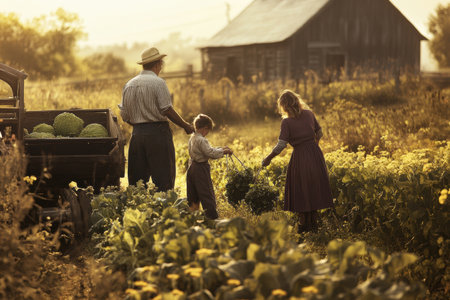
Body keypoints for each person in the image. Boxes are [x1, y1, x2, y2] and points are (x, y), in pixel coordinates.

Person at [119, 47, 194, 191]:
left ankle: (138, 211)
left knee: (137, 183)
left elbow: (125, 116)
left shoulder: (129, 85)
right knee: (164, 179)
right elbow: (166, 109)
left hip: (137, 135)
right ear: (158, 64)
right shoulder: (158, 83)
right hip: (158, 134)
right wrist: (185, 125)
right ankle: (164, 210)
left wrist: (140, 124)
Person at [262, 90, 333, 233]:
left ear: (284, 106)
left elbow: (281, 144)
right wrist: (314, 145)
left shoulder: (287, 122)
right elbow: (319, 133)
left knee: (302, 189)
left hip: (300, 156)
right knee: (313, 188)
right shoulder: (309, 114)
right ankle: (314, 226)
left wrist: (268, 158)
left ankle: (303, 228)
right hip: (315, 154)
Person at [186, 114, 232, 219]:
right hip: (200, 169)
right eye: (208, 130)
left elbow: (207, 150)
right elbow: (210, 153)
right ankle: (213, 218)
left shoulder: (192, 138)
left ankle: (192, 217)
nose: (207, 133)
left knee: (193, 195)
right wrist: (224, 151)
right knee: (206, 194)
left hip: (191, 167)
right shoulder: (202, 140)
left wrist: (221, 148)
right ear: (205, 128)